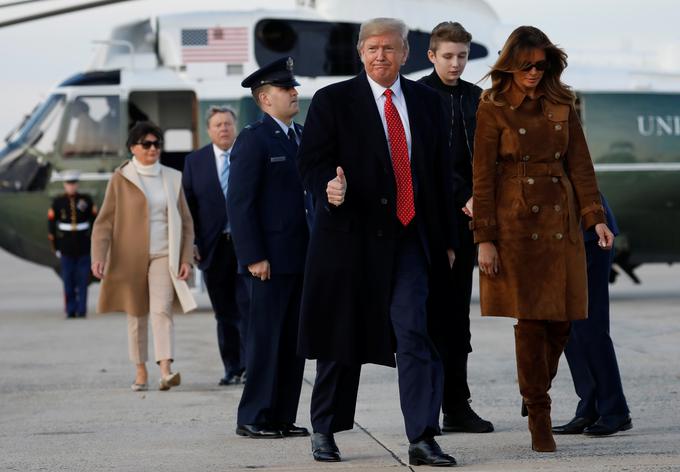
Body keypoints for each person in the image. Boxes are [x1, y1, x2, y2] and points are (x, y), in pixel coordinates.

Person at [297, 18, 458, 467]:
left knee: (414, 334)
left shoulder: (426, 102)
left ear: (406, 53)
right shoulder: (333, 101)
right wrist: (329, 187)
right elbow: (310, 162)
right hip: (349, 241)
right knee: (340, 340)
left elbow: (440, 176)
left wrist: (445, 239)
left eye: (389, 48)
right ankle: (325, 430)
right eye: (372, 48)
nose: (380, 56)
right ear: (360, 53)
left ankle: (423, 437)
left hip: (409, 240)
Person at [470, 25, 615, 453]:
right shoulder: (492, 106)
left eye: (542, 64)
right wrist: (485, 239)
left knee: (566, 318)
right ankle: (539, 414)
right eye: (526, 64)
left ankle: (533, 383)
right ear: (511, 64)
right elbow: (482, 178)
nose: (534, 72)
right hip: (515, 222)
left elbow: (581, 166)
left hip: (563, 217)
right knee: (532, 321)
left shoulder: (562, 102)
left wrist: (596, 219)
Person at [227, 57, 310, 439]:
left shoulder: (300, 136)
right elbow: (241, 203)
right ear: (264, 98)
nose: (294, 93)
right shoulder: (253, 139)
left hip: (301, 259)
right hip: (269, 262)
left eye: (293, 87)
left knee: (294, 342)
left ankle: (281, 415)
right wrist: (253, 256)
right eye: (285, 88)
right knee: (265, 340)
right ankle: (254, 416)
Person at [418, 21, 493, 434]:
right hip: (432, 221)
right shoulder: (417, 96)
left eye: (462, 56)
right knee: (430, 319)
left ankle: (457, 405)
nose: (455, 63)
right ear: (431, 55)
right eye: (447, 56)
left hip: (468, 221)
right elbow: (425, 163)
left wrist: (478, 195)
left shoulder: (476, 98)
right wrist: (462, 194)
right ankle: (428, 406)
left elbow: (486, 155)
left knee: (457, 321)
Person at [91, 121, 196, 392]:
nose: (153, 149)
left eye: (157, 144)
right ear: (133, 148)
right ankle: (140, 371)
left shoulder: (173, 177)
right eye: (146, 144)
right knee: (136, 315)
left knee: (161, 310)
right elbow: (104, 222)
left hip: (164, 255)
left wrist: (185, 258)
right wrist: (99, 255)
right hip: (129, 258)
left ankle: (165, 370)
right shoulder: (121, 178)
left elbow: (185, 222)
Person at [553, 194, 632, 436]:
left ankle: (614, 410)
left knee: (590, 326)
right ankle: (589, 406)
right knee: (567, 328)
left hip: (588, 232)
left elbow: (583, 176)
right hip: (554, 237)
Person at [183, 105, 249, 386]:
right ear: (208, 130)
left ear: (235, 128)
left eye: (228, 124)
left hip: (247, 246)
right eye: (218, 125)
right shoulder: (195, 162)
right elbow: (189, 207)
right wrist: (192, 243)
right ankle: (232, 367)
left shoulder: (248, 156)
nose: (223, 128)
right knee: (224, 312)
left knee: (248, 308)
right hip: (214, 248)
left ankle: (250, 367)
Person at [48, 170, 97, 318]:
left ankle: (81, 310)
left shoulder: (86, 200)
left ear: (77, 184)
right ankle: (70, 310)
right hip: (66, 246)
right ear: (64, 185)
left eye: (73, 183)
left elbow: (95, 221)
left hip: (83, 245)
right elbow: (51, 226)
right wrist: (55, 246)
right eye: (69, 184)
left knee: (83, 280)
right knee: (68, 280)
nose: (71, 186)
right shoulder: (58, 202)